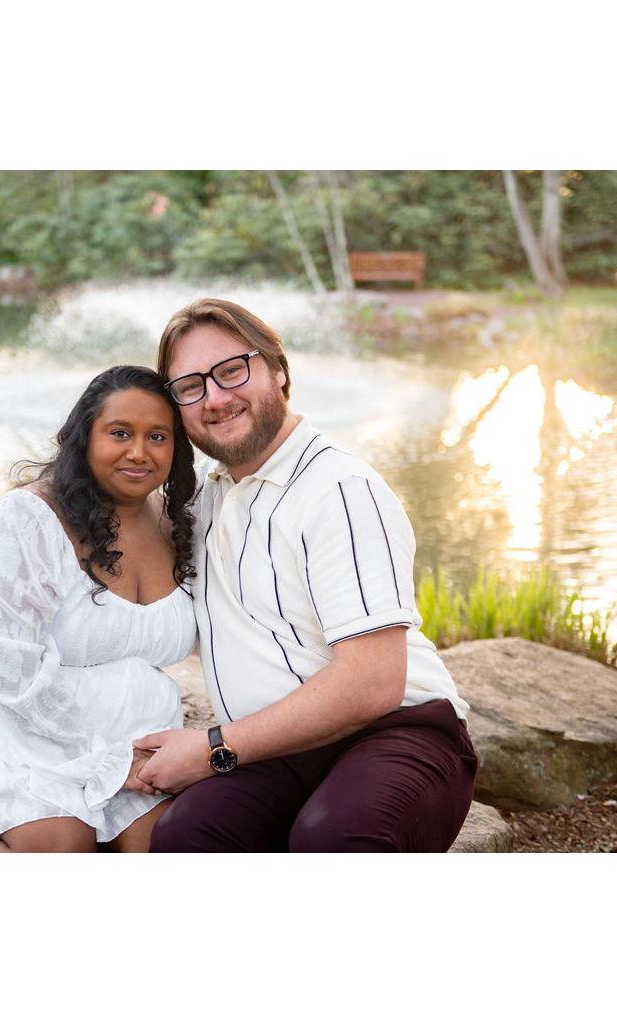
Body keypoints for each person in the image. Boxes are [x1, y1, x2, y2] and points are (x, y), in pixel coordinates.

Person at [132, 298, 478, 852]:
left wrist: (214, 747)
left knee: (334, 838)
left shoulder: (339, 490)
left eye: (231, 371)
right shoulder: (205, 501)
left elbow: (373, 683)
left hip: (395, 731)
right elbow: (102, 504)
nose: (215, 398)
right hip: (277, 748)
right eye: (190, 386)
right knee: (187, 835)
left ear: (278, 368)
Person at [0, 365, 198, 852]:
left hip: (133, 724)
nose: (138, 452)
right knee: (63, 841)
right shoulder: (27, 518)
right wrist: (108, 764)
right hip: (16, 719)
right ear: (84, 438)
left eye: (158, 436)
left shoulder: (185, 521)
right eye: (120, 433)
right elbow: (11, 677)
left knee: (161, 843)